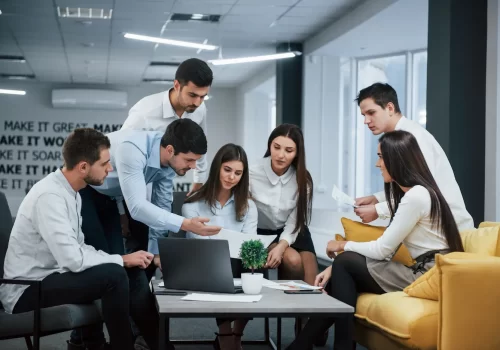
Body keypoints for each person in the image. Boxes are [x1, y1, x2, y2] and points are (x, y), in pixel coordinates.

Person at [286, 130, 465, 350]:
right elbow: (387, 251)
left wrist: (342, 246)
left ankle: (312, 346)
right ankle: (301, 345)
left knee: (345, 262)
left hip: (429, 274)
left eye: (381, 157)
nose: (377, 164)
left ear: (397, 159)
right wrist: (334, 267)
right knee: (341, 271)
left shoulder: (416, 197)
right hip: (426, 271)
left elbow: (383, 250)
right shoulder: (414, 194)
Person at [0, 128, 171, 350]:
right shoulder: (49, 196)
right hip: (26, 291)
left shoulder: (71, 193)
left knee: (116, 272)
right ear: (83, 167)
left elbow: (80, 249)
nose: (110, 169)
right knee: (114, 276)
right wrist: (121, 260)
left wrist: (122, 258)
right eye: (105, 164)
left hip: (50, 278)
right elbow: (73, 260)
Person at [88, 118, 221, 268]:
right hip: (88, 190)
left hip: (116, 195)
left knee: (138, 257)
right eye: (189, 160)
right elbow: (137, 208)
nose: (194, 166)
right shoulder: (133, 149)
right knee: (104, 256)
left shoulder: (169, 160)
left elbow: (162, 204)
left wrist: (157, 254)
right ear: (170, 150)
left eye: (196, 161)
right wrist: (187, 224)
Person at [353, 82, 474, 230]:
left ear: (390, 108)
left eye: (371, 113)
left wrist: (379, 210)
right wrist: (377, 198)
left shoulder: (413, 137)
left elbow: (424, 192)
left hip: (449, 229)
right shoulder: (397, 138)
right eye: (364, 115)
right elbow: (410, 185)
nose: (366, 121)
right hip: (431, 227)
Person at [182, 143, 257, 350]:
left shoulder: (249, 206)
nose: (232, 177)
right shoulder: (192, 205)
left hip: (237, 259)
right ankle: (225, 332)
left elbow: (248, 244)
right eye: (227, 169)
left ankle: (237, 333)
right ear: (217, 167)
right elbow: (200, 246)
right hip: (206, 263)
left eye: (238, 173)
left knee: (254, 262)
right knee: (220, 259)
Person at [249, 124, 320, 337]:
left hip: (293, 229)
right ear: (269, 145)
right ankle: (289, 307)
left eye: (289, 150)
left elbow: (295, 220)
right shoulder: (251, 172)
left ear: (297, 153)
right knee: (293, 261)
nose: (280, 155)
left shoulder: (302, 179)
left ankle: (306, 328)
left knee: (311, 291)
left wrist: (282, 244)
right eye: (276, 147)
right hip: (260, 230)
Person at [121, 58, 213, 195]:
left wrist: (199, 180)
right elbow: (123, 150)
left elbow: (200, 144)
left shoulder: (199, 109)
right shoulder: (145, 111)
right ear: (177, 85)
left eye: (202, 97)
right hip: (134, 178)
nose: (197, 102)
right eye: (192, 95)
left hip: (165, 177)